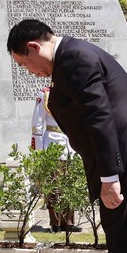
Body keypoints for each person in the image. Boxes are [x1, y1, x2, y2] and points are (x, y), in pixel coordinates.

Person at [7, 19, 127, 253]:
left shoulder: (73, 58)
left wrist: (109, 177)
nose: (30, 72)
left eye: (25, 64)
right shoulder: (71, 56)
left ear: (33, 47)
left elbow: (99, 117)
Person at [31, 86, 82, 233]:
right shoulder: (45, 94)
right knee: (53, 186)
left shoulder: (74, 92)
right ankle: (55, 223)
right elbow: (37, 123)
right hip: (53, 143)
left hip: (71, 144)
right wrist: (39, 151)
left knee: (70, 184)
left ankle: (69, 222)